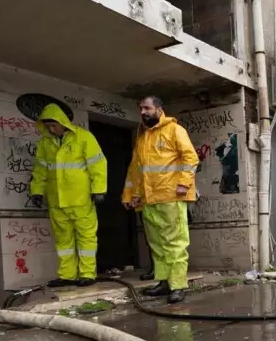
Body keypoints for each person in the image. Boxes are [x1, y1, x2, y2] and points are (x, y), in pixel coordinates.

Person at [122, 96, 199, 304]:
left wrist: (184, 183)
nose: (143, 112)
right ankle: (164, 282)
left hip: (171, 195)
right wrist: (129, 195)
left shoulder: (175, 130)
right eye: (141, 108)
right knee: (157, 245)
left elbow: (191, 158)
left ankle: (178, 286)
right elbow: (135, 171)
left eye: (147, 108)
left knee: (174, 243)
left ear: (159, 109)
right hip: (149, 200)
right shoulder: (143, 139)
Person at [29, 103, 107, 288]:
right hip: (57, 200)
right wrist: (37, 191)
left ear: (62, 122)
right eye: (47, 126)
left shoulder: (83, 138)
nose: (50, 129)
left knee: (86, 237)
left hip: (81, 199)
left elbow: (98, 164)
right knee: (63, 241)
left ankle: (87, 274)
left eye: (53, 125)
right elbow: (39, 171)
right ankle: (67, 275)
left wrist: (99, 189)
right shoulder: (44, 144)